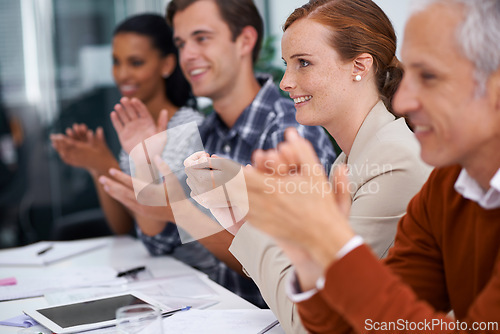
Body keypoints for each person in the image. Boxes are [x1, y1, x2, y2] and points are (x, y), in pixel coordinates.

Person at [242, 0, 500, 332]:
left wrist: (332, 246)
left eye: (430, 76)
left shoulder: (402, 163)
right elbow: (353, 324)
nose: (404, 101)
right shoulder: (446, 187)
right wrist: (311, 258)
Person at [182, 0, 432, 331]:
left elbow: (311, 321)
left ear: (360, 65)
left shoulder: (393, 162)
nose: (285, 81)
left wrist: (245, 220)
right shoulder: (353, 157)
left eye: (303, 63)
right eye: (287, 64)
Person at [98, 0, 336, 308]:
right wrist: (143, 160)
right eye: (182, 43)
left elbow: (286, 268)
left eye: (202, 38)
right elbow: (158, 239)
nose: (188, 55)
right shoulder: (205, 132)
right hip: (216, 313)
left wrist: (181, 210)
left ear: (245, 41)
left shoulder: (290, 132)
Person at [50, 14, 215, 268]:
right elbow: (124, 226)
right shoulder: (133, 128)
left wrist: (107, 163)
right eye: (116, 62)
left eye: (136, 63)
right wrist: (98, 167)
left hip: (196, 275)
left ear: (167, 65)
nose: (122, 74)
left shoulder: (188, 131)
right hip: (157, 270)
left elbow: (156, 234)